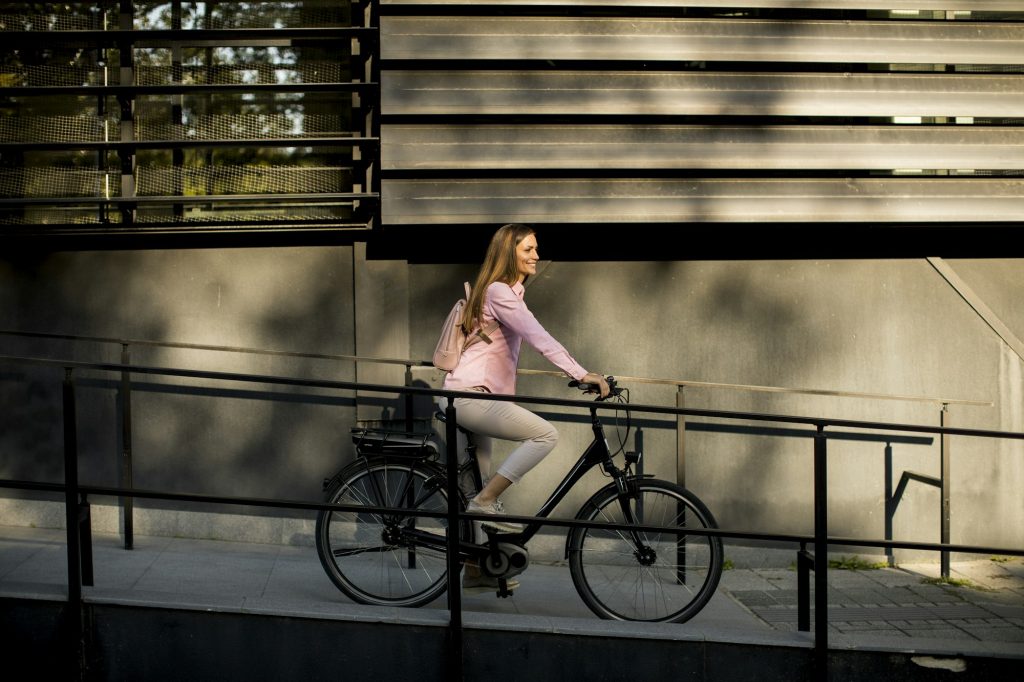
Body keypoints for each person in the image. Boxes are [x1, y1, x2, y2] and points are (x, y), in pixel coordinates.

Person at [439, 223, 610, 592]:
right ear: (508, 253)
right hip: (469, 397)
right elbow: (538, 337)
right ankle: (487, 503)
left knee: (473, 487)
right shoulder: (500, 292)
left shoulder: (507, 293)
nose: (536, 255)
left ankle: (476, 569)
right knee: (544, 434)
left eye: (536, 248)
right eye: (528, 249)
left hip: (472, 397)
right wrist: (582, 374)